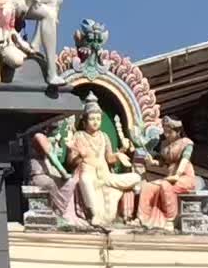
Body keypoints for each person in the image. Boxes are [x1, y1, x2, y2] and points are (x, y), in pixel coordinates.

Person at [66, 93, 142, 227]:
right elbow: (70, 162)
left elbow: (109, 159)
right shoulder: (78, 136)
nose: (95, 122)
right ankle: (94, 214)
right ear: (84, 121)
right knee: (85, 180)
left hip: (106, 176)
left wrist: (118, 155)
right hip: (88, 175)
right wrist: (81, 156)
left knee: (136, 177)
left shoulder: (104, 136)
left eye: (98, 119)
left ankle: (132, 211)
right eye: (92, 119)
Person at [136, 117, 197, 230]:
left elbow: (185, 159)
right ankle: (143, 218)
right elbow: (162, 162)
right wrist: (152, 162)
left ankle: (170, 220)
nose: (167, 134)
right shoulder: (165, 145)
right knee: (148, 186)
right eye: (165, 131)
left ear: (178, 131)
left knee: (165, 186)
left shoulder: (186, 143)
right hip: (170, 177)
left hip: (184, 176)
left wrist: (177, 175)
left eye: (170, 132)